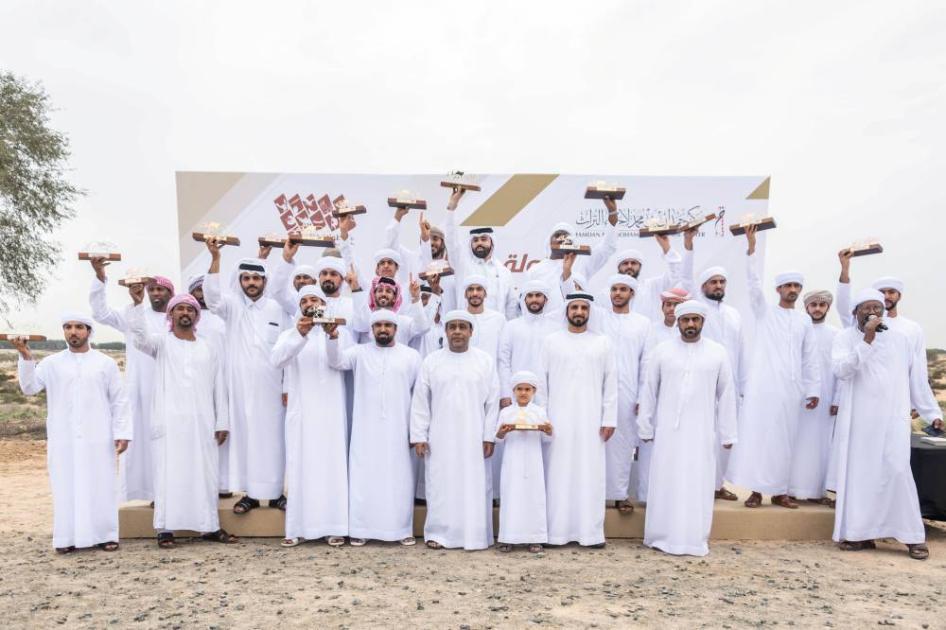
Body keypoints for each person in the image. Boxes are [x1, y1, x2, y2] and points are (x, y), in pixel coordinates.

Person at [831, 289, 943, 560]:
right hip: (858, 421)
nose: (873, 312)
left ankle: (912, 537)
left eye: (877, 308)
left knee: (897, 471)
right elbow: (841, 370)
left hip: (893, 419)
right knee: (860, 476)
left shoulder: (900, 338)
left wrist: (931, 412)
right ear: (855, 312)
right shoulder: (844, 338)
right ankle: (860, 534)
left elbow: (917, 377)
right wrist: (866, 341)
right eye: (867, 308)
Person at [13, 315, 131, 553]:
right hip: (63, 436)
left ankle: (106, 535)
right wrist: (25, 356)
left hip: (98, 435)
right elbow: (29, 388)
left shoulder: (105, 363)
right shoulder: (51, 363)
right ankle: (66, 538)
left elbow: (119, 400)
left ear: (89, 331)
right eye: (68, 327)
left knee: (101, 484)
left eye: (78, 327)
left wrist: (122, 432)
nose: (73, 332)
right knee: (65, 485)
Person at [128, 294, 235, 548]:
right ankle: (165, 529)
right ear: (171, 314)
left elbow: (219, 385)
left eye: (190, 309)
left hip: (203, 421)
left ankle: (209, 526)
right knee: (168, 474)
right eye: (179, 309)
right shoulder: (161, 343)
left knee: (205, 474)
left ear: (197, 315)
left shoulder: (208, 346)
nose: (185, 313)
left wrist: (222, 421)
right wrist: (137, 305)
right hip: (169, 422)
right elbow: (140, 338)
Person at [726, 226, 820, 509]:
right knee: (760, 437)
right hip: (764, 388)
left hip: (791, 390)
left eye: (796, 286)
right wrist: (751, 249)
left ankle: (780, 491)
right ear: (778, 289)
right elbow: (753, 285)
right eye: (787, 286)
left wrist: (813, 389)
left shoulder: (804, 321)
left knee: (786, 440)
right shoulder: (765, 311)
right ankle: (756, 491)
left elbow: (810, 357)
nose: (792, 290)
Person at [637, 300, 737, 556]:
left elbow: (727, 394)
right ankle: (661, 536)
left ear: (703, 321)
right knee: (666, 480)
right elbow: (649, 390)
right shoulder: (662, 351)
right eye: (685, 319)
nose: (690, 324)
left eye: (695, 319)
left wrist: (728, 432)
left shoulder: (717, 352)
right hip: (667, 432)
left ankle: (693, 539)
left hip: (701, 432)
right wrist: (645, 426)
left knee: (696, 481)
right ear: (678, 322)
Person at [203, 240, 289, 513]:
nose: (251, 282)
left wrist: (287, 385)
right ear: (239, 281)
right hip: (240, 386)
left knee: (273, 439)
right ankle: (250, 494)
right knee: (247, 437)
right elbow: (212, 298)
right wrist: (215, 258)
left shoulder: (277, 308)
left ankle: (276, 493)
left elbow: (289, 347)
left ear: (264, 281)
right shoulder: (232, 306)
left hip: (272, 386)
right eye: (246, 278)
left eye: (256, 278)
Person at [327, 308, 422, 546]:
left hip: (398, 428)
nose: (383, 329)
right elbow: (336, 361)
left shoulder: (411, 356)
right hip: (365, 429)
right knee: (364, 477)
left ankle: (401, 530)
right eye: (378, 325)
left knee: (398, 478)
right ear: (371, 330)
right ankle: (361, 529)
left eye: (387, 325)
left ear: (396, 329)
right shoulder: (359, 352)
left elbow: (418, 395)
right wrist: (332, 337)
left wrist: (416, 430)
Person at [410, 310, 500, 550]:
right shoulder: (432, 361)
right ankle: (438, 533)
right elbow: (421, 401)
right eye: (452, 327)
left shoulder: (484, 361)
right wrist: (419, 436)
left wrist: (489, 436)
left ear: (471, 331)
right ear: (446, 331)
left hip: (474, 436)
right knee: (440, 484)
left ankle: (475, 535)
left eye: (462, 326)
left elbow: (492, 403)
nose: (457, 331)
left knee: (473, 484)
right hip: (440, 437)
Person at [87, 258, 172, 502]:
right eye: (152, 289)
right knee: (142, 443)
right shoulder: (132, 313)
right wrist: (100, 276)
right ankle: (151, 493)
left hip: (171, 390)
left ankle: (169, 492)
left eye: (161, 289)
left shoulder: (179, 316)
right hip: (140, 389)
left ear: (170, 293)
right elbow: (101, 313)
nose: (156, 293)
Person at [272, 285, 350, 547]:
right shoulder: (289, 333)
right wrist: (300, 334)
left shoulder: (341, 332)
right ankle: (298, 528)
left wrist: (332, 336)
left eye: (314, 299)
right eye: (304, 300)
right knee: (301, 466)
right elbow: (277, 360)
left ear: (324, 304)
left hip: (331, 411)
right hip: (302, 412)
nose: (309, 303)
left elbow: (340, 362)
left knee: (331, 465)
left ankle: (334, 526)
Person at [540, 293, 617, 547]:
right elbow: (542, 383)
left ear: (589, 312)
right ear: (567, 311)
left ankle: (590, 534)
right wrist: (542, 417)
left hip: (592, 421)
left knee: (590, 474)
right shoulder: (551, 341)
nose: (579, 312)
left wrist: (609, 418)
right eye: (574, 307)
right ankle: (556, 533)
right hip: (557, 420)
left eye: (584, 308)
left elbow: (611, 383)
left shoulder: (602, 342)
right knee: (558, 473)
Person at [686, 265, 746, 502]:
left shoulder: (734, 314)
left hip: (730, 383)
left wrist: (744, 386)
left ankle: (718, 484)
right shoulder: (698, 311)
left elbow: (742, 350)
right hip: (703, 381)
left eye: (722, 281)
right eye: (713, 282)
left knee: (725, 434)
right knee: (701, 434)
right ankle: (699, 483)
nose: (718, 286)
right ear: (703, 286)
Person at [597, 275, 650, 514]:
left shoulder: (642, 324)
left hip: (628, 391)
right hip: (597, 389)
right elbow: (572, 298)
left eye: (623, 289)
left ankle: (619, 495)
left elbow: (646, 362)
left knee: (622, 443)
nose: (617, 293)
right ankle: (595, 493)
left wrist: (642, 396)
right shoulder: (600, 317)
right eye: (614, 289)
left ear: (632, 293)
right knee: (595, 441)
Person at [635, 287, 689, 503]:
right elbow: (646, 365)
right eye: (669, 304)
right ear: (662, 307)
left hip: (681, 402)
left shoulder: (689, 334)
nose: (672, 309)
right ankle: (647, 497)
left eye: (677, 305)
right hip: (654, 399)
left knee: (677, 451)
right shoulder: (652, 330)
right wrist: (641, 398)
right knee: (649, 449)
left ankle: (673, 499)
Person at [789, 290, 840, 505]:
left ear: (828, 307)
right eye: (813, 305)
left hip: (826, 398)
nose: (817, 309)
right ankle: (790, 489)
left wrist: (837, 399)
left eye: (822, 305)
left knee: (820, 445)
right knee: (796, 441)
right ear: (806, 307)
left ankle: (817, 492)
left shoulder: (836, 334)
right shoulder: (797, 330)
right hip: (799, 395)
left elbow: (839, 370)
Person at [494, 371, 553, 554]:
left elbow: (548, 439)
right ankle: (508, 538)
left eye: (527, 389)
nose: (523, 393)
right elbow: (498, 438)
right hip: (512, 462)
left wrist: (548, 430)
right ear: (514, 391)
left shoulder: (539, 412)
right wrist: (502, 432)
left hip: (533, 462)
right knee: (511, 497)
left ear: (534, 391)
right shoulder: (506, 412)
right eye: (519, 389)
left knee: (534, 497)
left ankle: (535, 538)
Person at [527, 196, 619, 311]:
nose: (562, 238)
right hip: (546, 321)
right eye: (558, 235)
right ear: (549, 241)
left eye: (566, 236)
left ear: (572, 242)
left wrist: (613, 214)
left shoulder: (581, 261)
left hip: (576, 318)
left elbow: (607, 247)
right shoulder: (536, 270)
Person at [188, 274, 231, 498]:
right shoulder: (188, 318)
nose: (202, 295)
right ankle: (198, 482)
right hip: (196, 379)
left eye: (206, 290)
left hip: (223, 375)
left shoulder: (222, 316)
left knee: (222, 427)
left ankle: (222, 483)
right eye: (198, 290)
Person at [444, 188, 518, 318]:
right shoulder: (462, 265)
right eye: (475, 240)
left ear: (492, 242)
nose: (479, 243)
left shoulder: (504, 272)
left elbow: (511, 306)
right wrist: (451, 208)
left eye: (483, 239)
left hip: (495, 327)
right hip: (467, 326)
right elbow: (451, 241)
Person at [498, 280, 558, 407]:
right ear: (524, 300)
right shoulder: (511, 326)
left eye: (538, 295)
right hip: (517, 392)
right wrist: (505, 393)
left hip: (548, 392)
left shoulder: (555, 328)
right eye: (530, 296)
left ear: (546, 299)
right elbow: (504, 361)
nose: (534, 299)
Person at [605, 229, 683, 322]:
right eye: (625, 263)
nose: (629, 266)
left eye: (633, 263)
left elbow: (676, 274)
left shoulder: (651, 287)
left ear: (639, 267)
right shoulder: (608, 293)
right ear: (619, 267)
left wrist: (666, 247)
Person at [350, 274, 429, 345]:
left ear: (395, 298)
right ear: (374, 296)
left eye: (388, 291)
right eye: (380, 290)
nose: (383, 294)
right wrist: (356, 288)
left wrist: (416, 298)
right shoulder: (367, 319)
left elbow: (421, 328)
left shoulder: (403, 321)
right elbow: (360, 325)